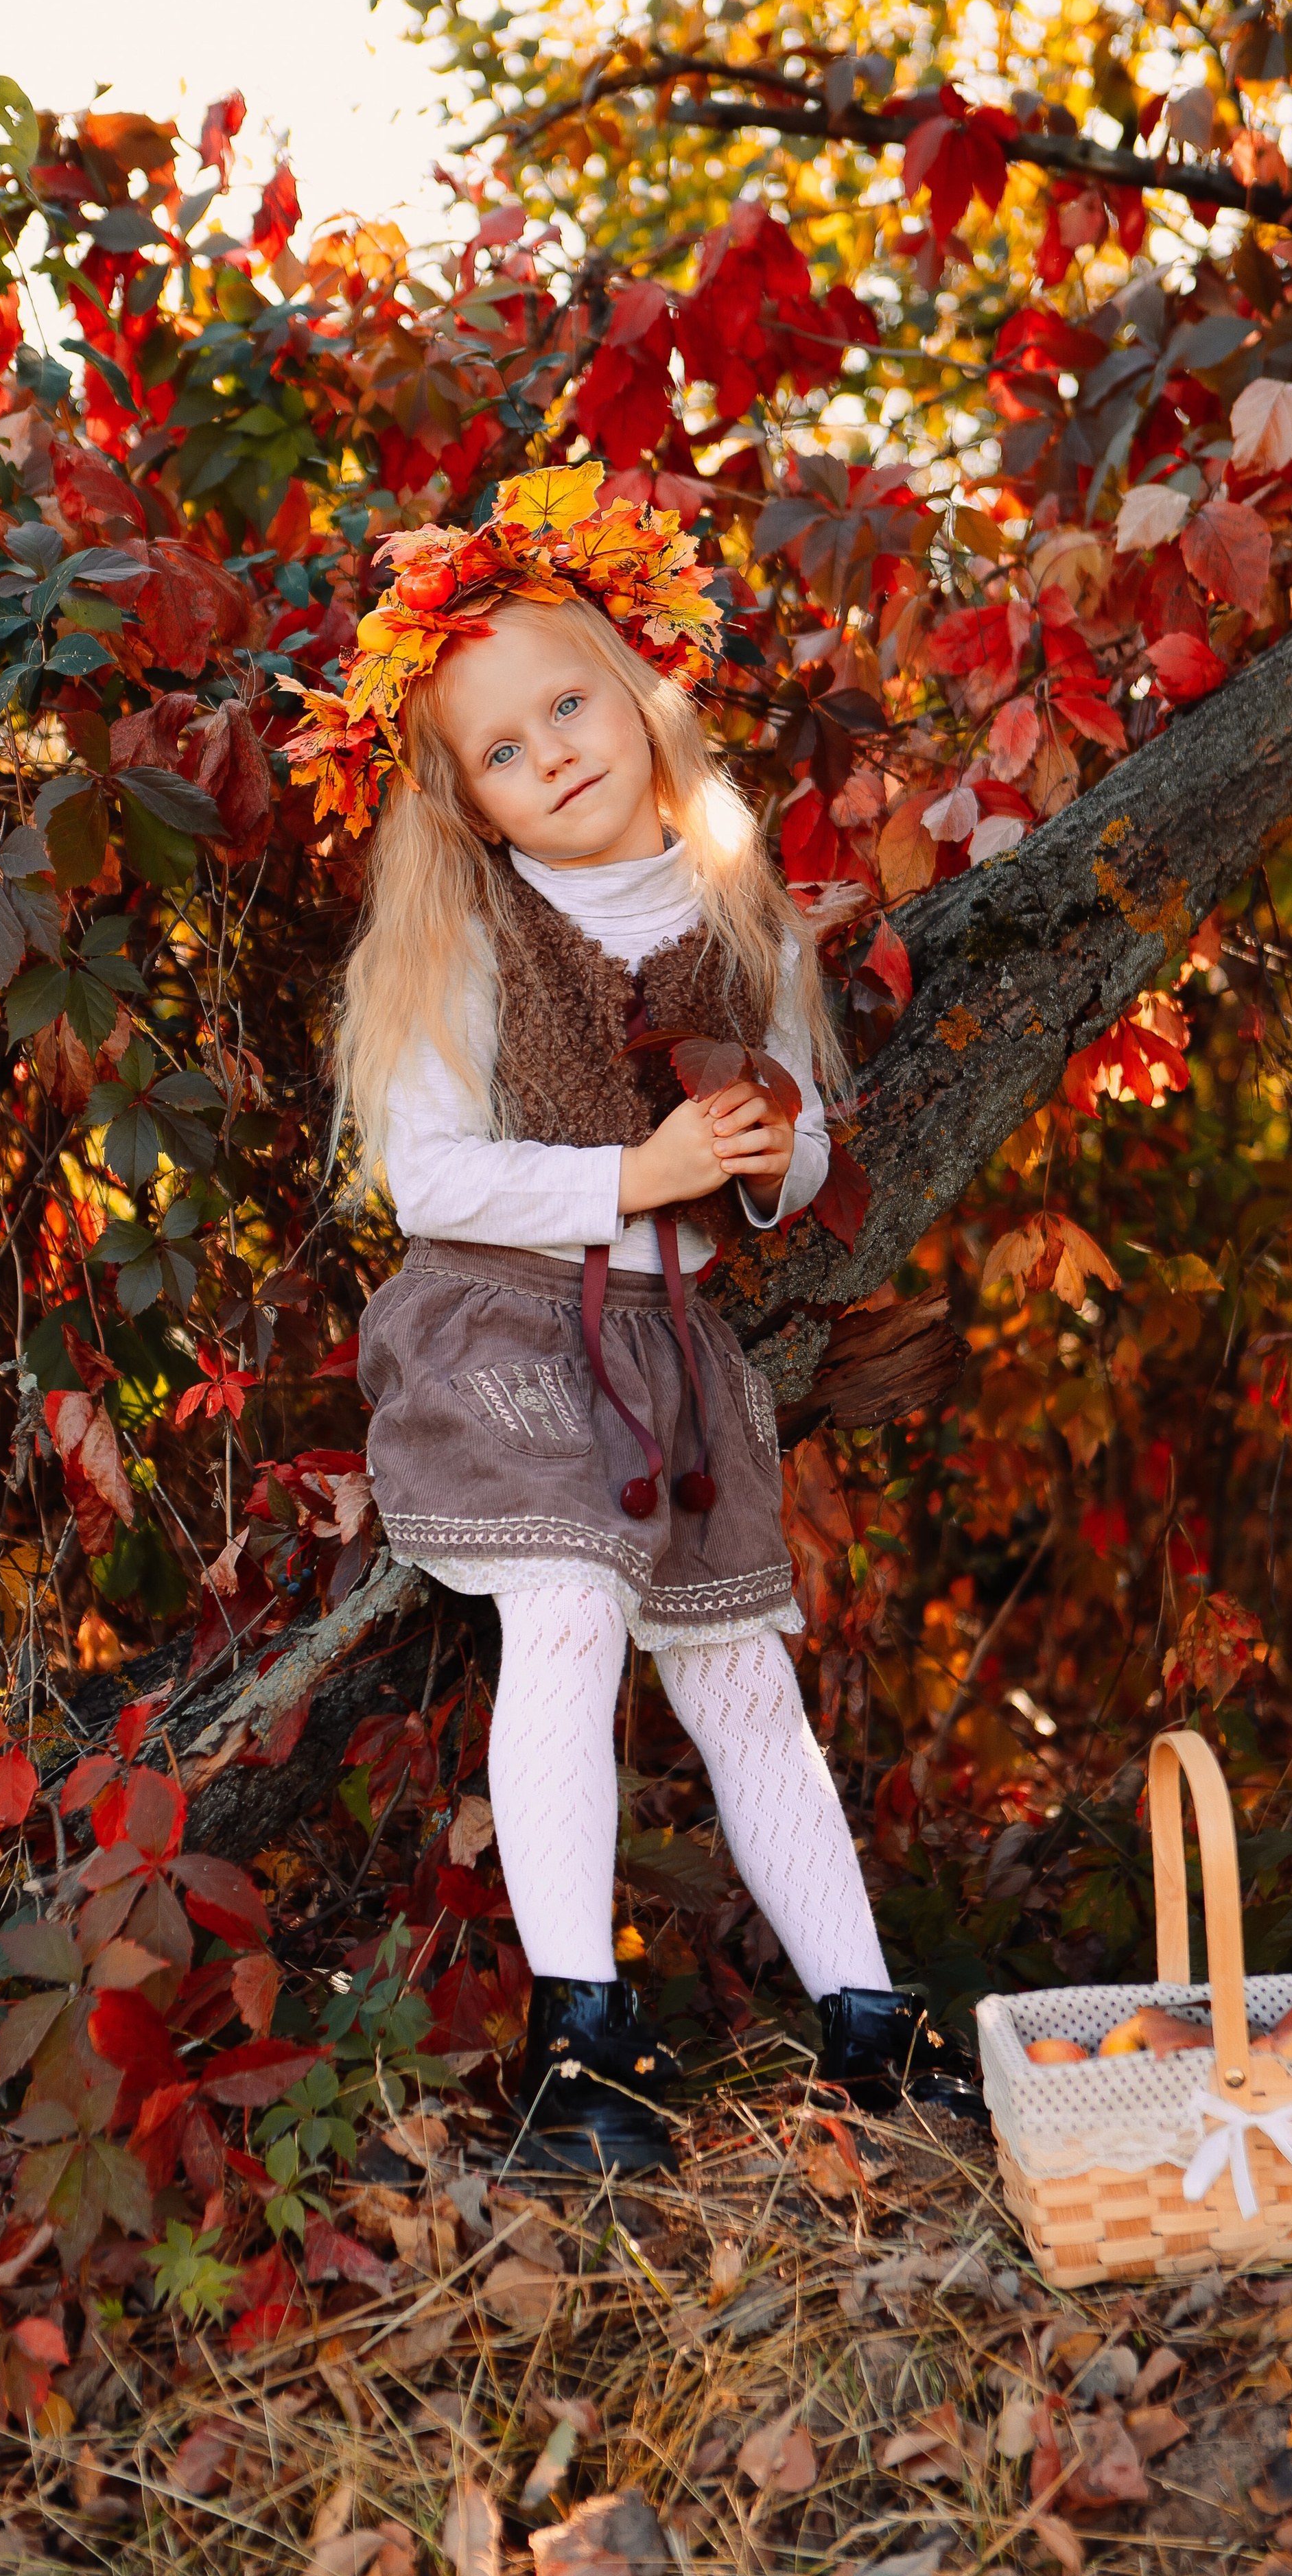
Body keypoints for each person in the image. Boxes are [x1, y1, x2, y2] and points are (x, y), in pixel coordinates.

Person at [291, 464, 983, 2169]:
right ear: (471, 807)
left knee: (743, 1680)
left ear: (635, 684)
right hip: (505, 1323)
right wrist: (636, 1169)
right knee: (569, 1620)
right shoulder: (469, 927)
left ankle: (869, 2024)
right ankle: (577, 2049)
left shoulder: (738, 904)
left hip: (668, 1349)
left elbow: (805, 1129)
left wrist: (758, 1155)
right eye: (502, 754)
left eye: (566, 705)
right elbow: (427, 1175)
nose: (552, 755)